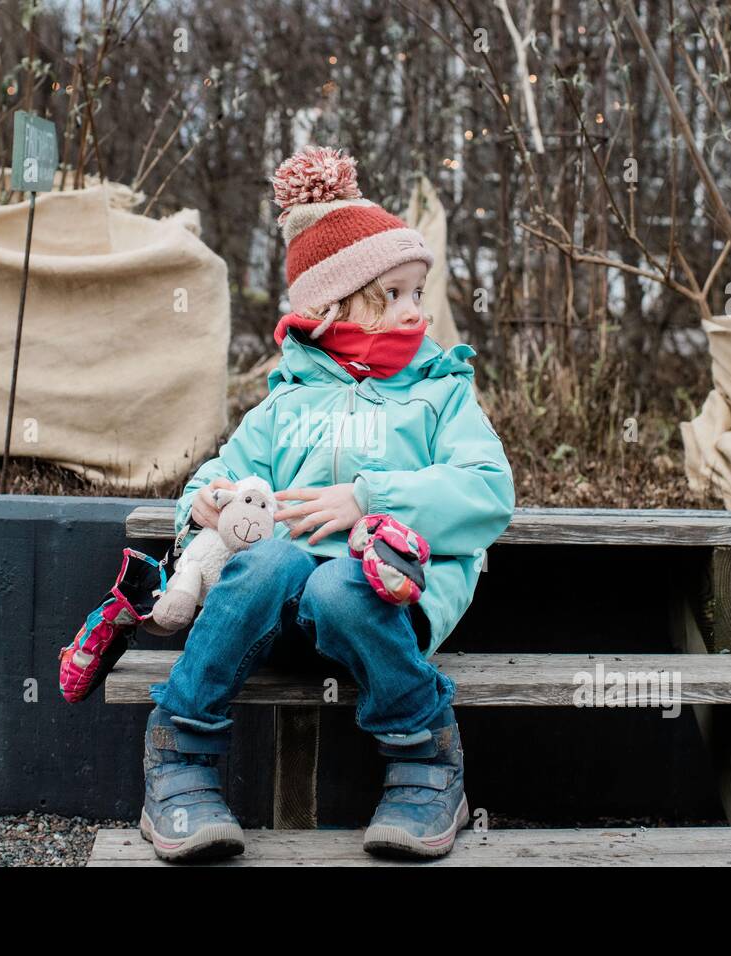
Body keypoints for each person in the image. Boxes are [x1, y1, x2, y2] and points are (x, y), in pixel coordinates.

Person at [139, 143, 516, 862]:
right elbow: (211, 480)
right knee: (271, 562)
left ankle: (425, 760)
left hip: (381, 609)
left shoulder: (439, 393)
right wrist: (208, 505)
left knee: (343, 582)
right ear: (330, 303)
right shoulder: (287, 403)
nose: (416, 312)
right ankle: (179, 753)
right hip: (274, 619)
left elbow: (488, 490)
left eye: (418, 293)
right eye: (393, 294)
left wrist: (370, 498)